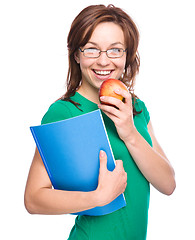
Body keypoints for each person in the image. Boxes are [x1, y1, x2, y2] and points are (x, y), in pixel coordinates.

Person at [24, 4, 176, 240]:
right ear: (77, 54)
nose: (104, 61)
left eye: (115, 50)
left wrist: (129, 132)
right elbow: (33, 198)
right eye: (92, 50)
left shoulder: (135, 108)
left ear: (127, 56)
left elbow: (168, 184)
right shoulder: (63, 112)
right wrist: (98, 197)